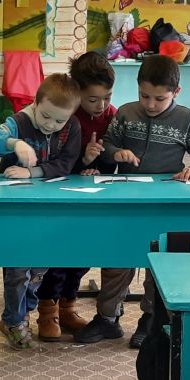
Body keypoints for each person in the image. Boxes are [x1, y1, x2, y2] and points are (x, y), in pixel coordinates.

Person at [75, 56, 190, 348]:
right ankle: (107, 317)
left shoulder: (187, 118)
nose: (150, 104)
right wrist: (116, 153)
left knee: (157, 261)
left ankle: (151, 319)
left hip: (165, 201)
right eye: (144, 96)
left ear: (176, 92)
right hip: (126, 199)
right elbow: (107, 144)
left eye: (159, 98)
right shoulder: (126, 113)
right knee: (117, 258)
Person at [0, 74, 83, 349]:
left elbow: (65, 164)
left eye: (59, 121)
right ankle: (14, 320)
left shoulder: (72, 127)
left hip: (48, 206)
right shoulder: (19, 122)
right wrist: (15, 143)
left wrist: (32, 172)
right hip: (17, 207)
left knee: (40, 266)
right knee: (18, 267)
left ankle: (22, 313)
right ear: (35, 103)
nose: (51, 125)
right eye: (45, 116)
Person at [39, 52, 120, 341]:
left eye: (107, 98)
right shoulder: (65, 116)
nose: (101, 105)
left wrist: (100, 162)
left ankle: (68, 307)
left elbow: (111, 161)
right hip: (60, 193)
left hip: (94, 195)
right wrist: (82, 161)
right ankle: (47, 311)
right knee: (58, 253)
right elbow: (54, 159)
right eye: (93, 99)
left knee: (85, 252)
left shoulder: (113, 116)